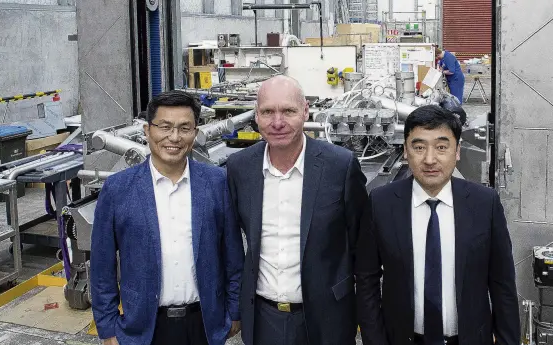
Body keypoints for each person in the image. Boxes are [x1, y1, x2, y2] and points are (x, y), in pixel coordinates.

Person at [355, 105, 520, 345]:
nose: (430, 159)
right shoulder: (382, 203)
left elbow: (503, 285)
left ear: (458, 151)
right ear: (405, 151)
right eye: (419, 147)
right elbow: (367, 281)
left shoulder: (485, 204)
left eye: (442, 147)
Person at [90, 90, 244, 345]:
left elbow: (233, 255)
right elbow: (101, 266)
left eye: (185, 128)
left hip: (204, 325)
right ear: (147, 131)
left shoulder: (216, 182)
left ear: (195, 133)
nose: (174, 137)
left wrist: (234, 311)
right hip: (143, 329)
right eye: (165, 127)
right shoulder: (118, 189)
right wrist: (108, 328)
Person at [226, 75, 368, 345]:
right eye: (268, 112)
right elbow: (234, 243)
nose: (277, 122)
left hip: (328, 316)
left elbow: (362, 243)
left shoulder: (340, 166)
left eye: (288, 111)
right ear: (256, 116)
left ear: (305, 111)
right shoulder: (240, 167)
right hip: (263, 318)